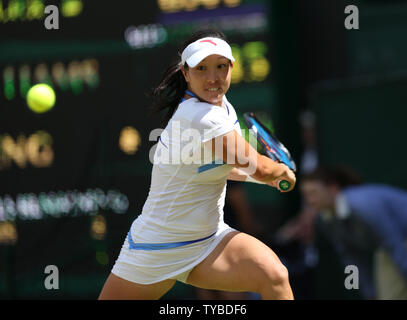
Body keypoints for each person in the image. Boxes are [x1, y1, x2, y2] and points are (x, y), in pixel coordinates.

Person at [98, 29, 296, 300]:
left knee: (273, 276)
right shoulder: (200, 116)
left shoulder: (221, 106)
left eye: (220, 67)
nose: (213, 77)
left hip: (207, 241)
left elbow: (218, 167)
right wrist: (278, 172)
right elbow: (258, 166)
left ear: (231, 68)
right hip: (157, 246)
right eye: (201, 68)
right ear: (186, 73)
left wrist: (268, 177)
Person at [299, 165, 407, 300]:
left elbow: (394, 243)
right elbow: (350, 257)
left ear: (333, 188)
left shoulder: (363, 205)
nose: (310, 200)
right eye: (306, 195)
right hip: (389, 247)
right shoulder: (325, 219)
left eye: (314, 193)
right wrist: (369, 294)